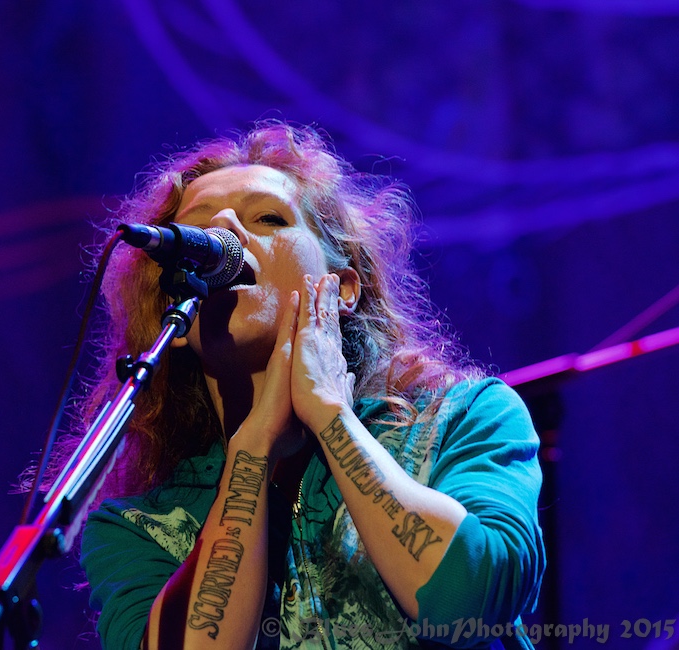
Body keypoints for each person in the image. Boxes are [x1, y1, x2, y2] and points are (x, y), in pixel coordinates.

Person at [73, 122, 545, 649]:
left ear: (343, 287)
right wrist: (251, 451)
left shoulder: (462, 417)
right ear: (173, 311)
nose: (225, 226)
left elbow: (468, 600)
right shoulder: (141, 524)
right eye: (200, 227)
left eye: (268, 218)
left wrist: (330, 416)